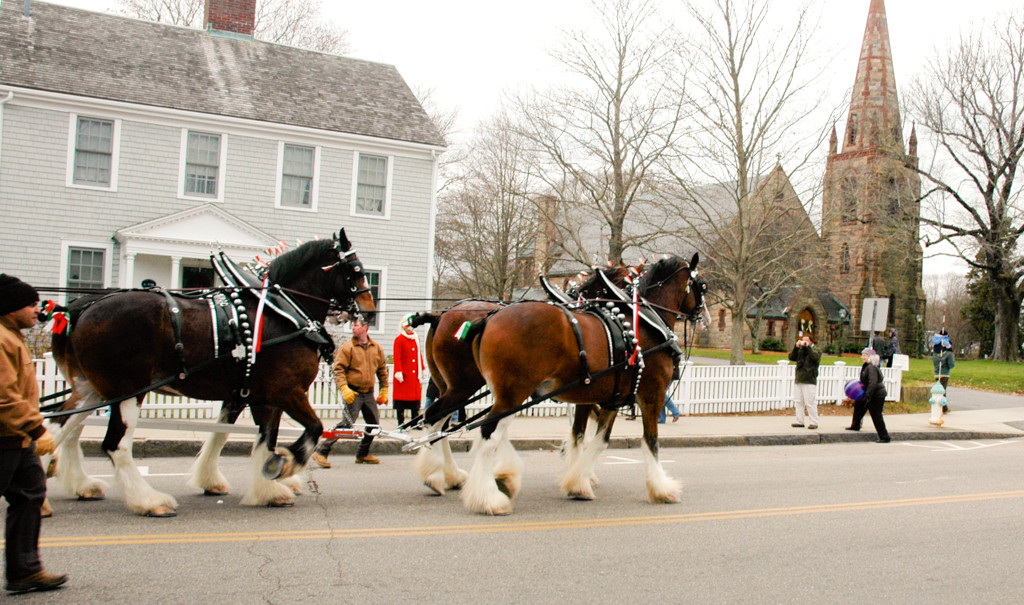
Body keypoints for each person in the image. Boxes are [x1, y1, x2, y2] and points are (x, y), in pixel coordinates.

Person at [0, 274, 67, 594]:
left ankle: (25, 570)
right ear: (11, 308)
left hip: (18, 437)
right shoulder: (1, 339)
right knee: (28, 496)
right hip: (5, 437)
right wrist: (37, 428)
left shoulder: (13, 337)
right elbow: (2, 397)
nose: (37, 310)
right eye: (30, 304)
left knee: (30, 496)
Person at [311, 318, 388, 467]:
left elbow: (382, 370)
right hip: (353, 392)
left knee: (374, 426)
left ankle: (362, 454)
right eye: (352, 325)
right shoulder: (348, 347)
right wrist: (344, 388)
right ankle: (321, 451)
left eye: (356, 325)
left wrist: (384, 389)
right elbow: (338, 370)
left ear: (365, 328)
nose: (353, 328)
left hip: (369, 393)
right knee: (347, 424)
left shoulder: (376, 347)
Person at [846, 347, 890, 443]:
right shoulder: (867, 366)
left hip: (877, 394)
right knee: (859, 406)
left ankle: (884, 436)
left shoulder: (871, 368)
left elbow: (872, 382)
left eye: (864, 355)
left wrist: (868, 395)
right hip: (869, 391)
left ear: (870, 357)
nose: (862, 357)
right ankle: (855, 425)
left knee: (876, 414)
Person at [391, 316, 426, 426]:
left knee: (414, 401)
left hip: (414, 376)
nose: (410, 328)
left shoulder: (416, 338)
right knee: (401, 401)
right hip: (404, 376)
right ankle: (400, 422)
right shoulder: (399, 339)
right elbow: (397, 357)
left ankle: (414, 422)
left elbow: (418, 354)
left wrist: (423, 368)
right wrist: (398, 371)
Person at [788, 334, 821, 430]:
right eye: (802, 340)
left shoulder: (816, 350)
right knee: (798, 401)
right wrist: (796, 347)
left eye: (806, 341)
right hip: (799, 378)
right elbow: (791, 357)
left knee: (810, 402)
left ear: (811, 341)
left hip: (809, 380)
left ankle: (814, 422)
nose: (804, 342)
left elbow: (815, 357)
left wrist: (808, 348)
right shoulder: (800, 350)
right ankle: (799, 421)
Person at [931, 329, 954, 414]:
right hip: (945, 374)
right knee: (942, 391)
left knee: (939, 390)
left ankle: (944, 407)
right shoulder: (948, 353)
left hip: (937, 373)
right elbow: (951, 365)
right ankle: (943, 407)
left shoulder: (935, 352)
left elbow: (934, 362)